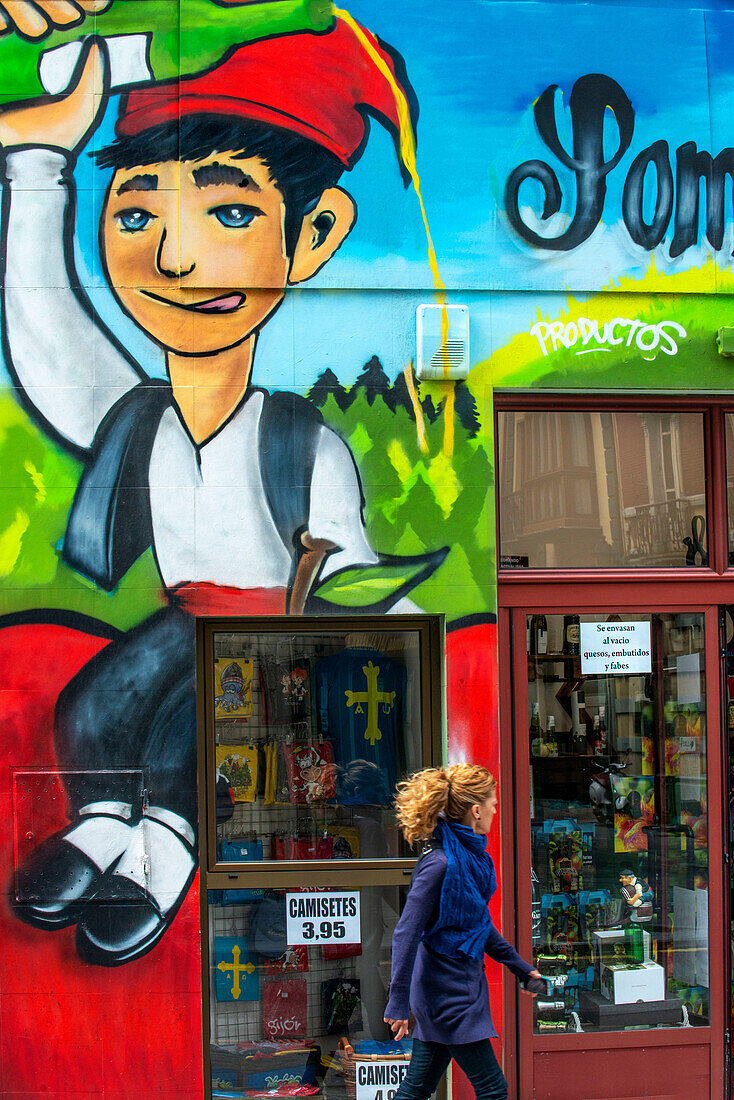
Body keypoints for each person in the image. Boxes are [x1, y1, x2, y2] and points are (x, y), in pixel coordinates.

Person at [0, 1, 441, 966]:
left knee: (194, 734)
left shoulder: (300, 441)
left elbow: (355, 579)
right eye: (136, 211)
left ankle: (162, 851)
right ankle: (102, 828)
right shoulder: (137, 413)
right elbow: (48, 344)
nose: (172, 254)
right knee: (95, 707)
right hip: (181, 614)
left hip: (265, 632)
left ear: (314, 232)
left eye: (230, 211)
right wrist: (36, 168)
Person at [384, 764, 541, 1100]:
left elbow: (478, 926)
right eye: (493, 803)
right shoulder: (440, 864)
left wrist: (521, 969)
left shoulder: (469, 859)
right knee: (493, 1090)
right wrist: (397, 1002)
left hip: (457, 986)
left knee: (417, 1089)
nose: (496, 809)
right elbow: (405, 933)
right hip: (446, 993)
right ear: (476, 810)